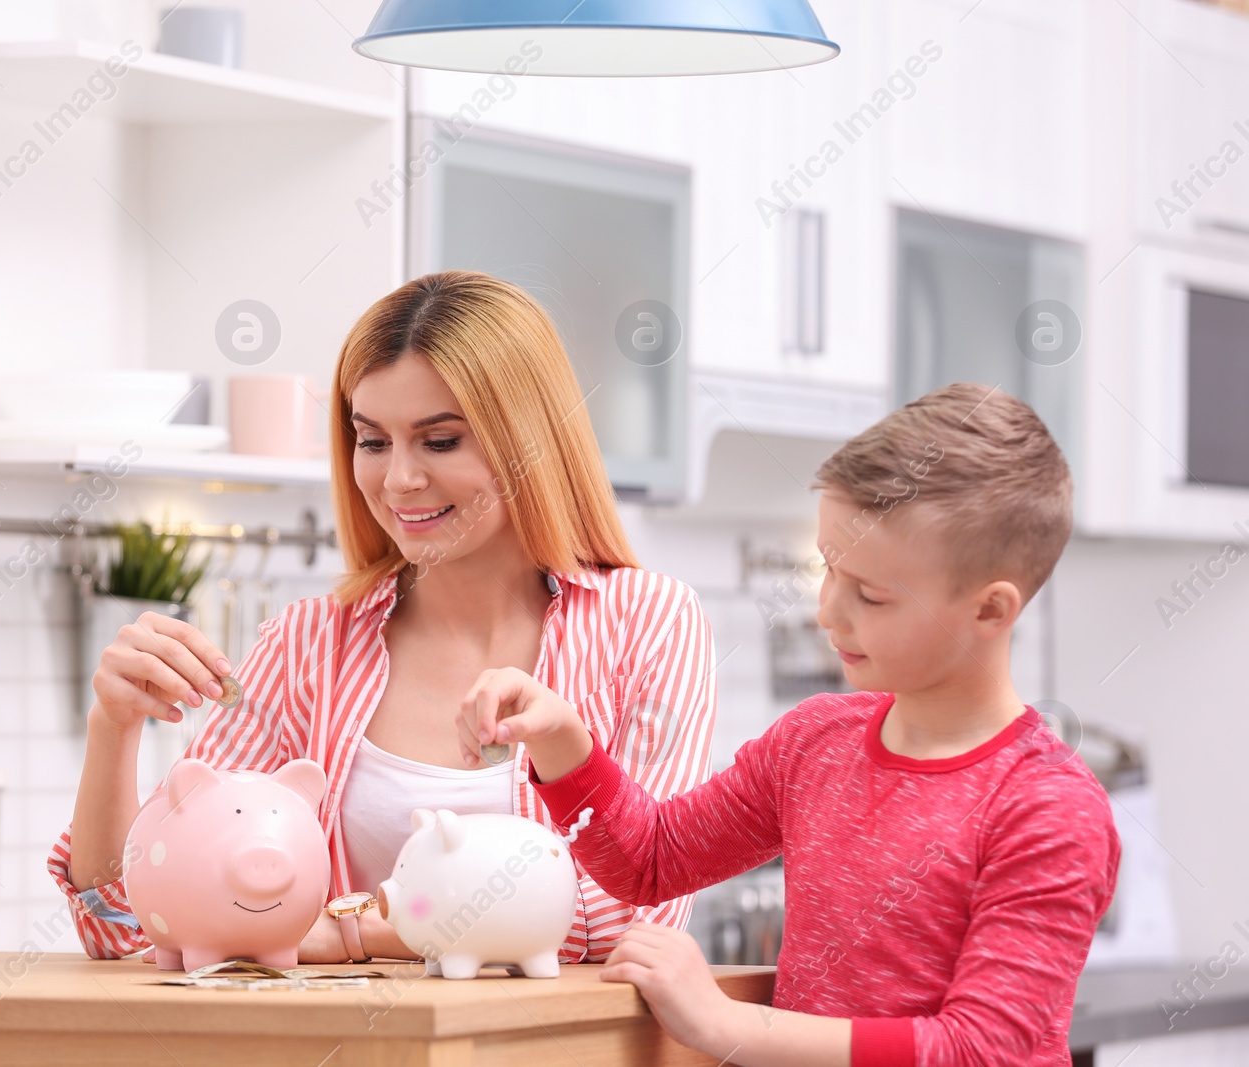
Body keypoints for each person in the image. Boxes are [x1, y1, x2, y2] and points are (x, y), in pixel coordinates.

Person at [49, 270, 719, 964]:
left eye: (440, 441)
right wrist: (114, 727)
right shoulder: (310, 643)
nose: (399, 479)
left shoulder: (649, 622)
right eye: (372, 441)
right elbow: (128, 925)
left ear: (529, 442)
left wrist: (346, 933)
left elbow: (633, 914)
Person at [462, 383, 1120, 1065]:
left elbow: (980, 1051)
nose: (828, 612)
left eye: (870, 593)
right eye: (828, 569)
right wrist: (562, 739)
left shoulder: (1048, 806)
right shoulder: (814, 743)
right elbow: (652, 861)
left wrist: (727, 1024)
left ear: (990, 611)